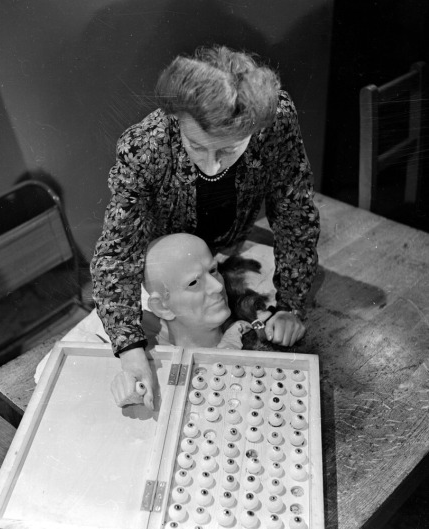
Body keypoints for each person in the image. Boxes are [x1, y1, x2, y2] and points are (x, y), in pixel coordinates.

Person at [91, 44, 320, 410]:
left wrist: (290, 304)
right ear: (177, 120)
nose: (213, 166)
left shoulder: (275, 120)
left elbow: (294, 212)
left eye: (228, 150)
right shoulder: (146, 147)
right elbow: (116, 256)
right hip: (174, 259)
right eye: (198, 147)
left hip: (231, 242)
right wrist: (131, 354)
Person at [110, 233, 255, 408]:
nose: (217, 286)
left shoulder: (246, 328)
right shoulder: (148, 345)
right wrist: (127, 382)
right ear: (162, 307)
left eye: (213, 271)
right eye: (193, 283)